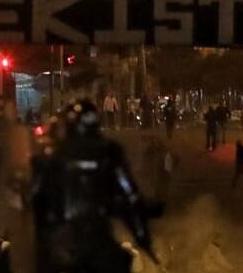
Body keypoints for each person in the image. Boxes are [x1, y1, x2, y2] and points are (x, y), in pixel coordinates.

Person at [30, 100, 157, 273]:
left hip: (68, 244)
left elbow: (34, 197)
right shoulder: (108, 151)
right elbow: (131, 197)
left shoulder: (52, 155)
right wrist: (142, 235)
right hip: (87, 242)